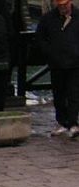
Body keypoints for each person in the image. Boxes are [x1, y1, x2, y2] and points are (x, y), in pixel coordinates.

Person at [35, 0, 79, 137]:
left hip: (75, 63)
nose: (62, 8)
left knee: (74, 94)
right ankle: (62, 122)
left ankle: (73, 123)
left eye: (65, 5)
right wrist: (50, 52)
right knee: (58, 94)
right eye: (60, 5)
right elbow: (40, 38)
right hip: (56, 63)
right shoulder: (48, 18)